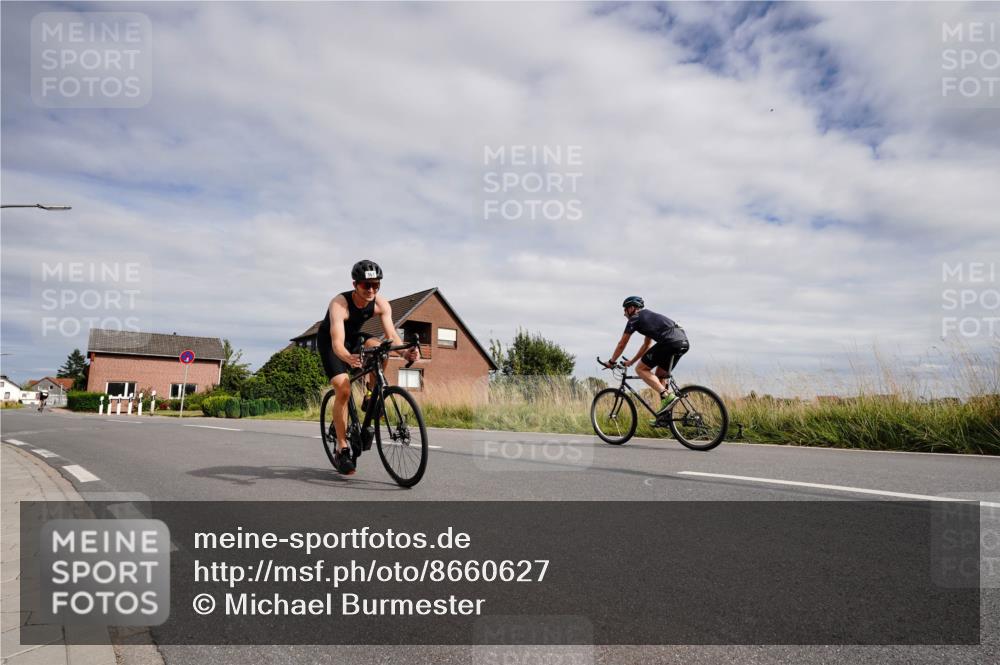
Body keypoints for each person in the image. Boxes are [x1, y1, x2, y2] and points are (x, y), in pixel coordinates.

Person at [318, 260, 418, 475]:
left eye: (376, 285)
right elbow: (337, 342)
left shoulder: (382, 304)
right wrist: (348, 358)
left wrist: (405, 352)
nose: (372, 289)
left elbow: (391, 337)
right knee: (343, 389)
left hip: (354, 339)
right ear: (355, 284)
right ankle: (342, 447)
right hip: (332, 344)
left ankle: (371, 395)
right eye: (366, 285)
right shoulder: (339, 304)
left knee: (380, 347)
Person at [603, 296, 689, 414]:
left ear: (632, 308)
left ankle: (666, 394)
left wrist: (612, 361)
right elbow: (646, 346)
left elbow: (622, 344)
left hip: (669, 342)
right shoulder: (649, 318)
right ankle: (666, 414)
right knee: (660, 375)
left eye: (625, 309)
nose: (624, 314)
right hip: (683, 342)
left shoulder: (635, 318)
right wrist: (631, 362)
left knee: (640, 369)